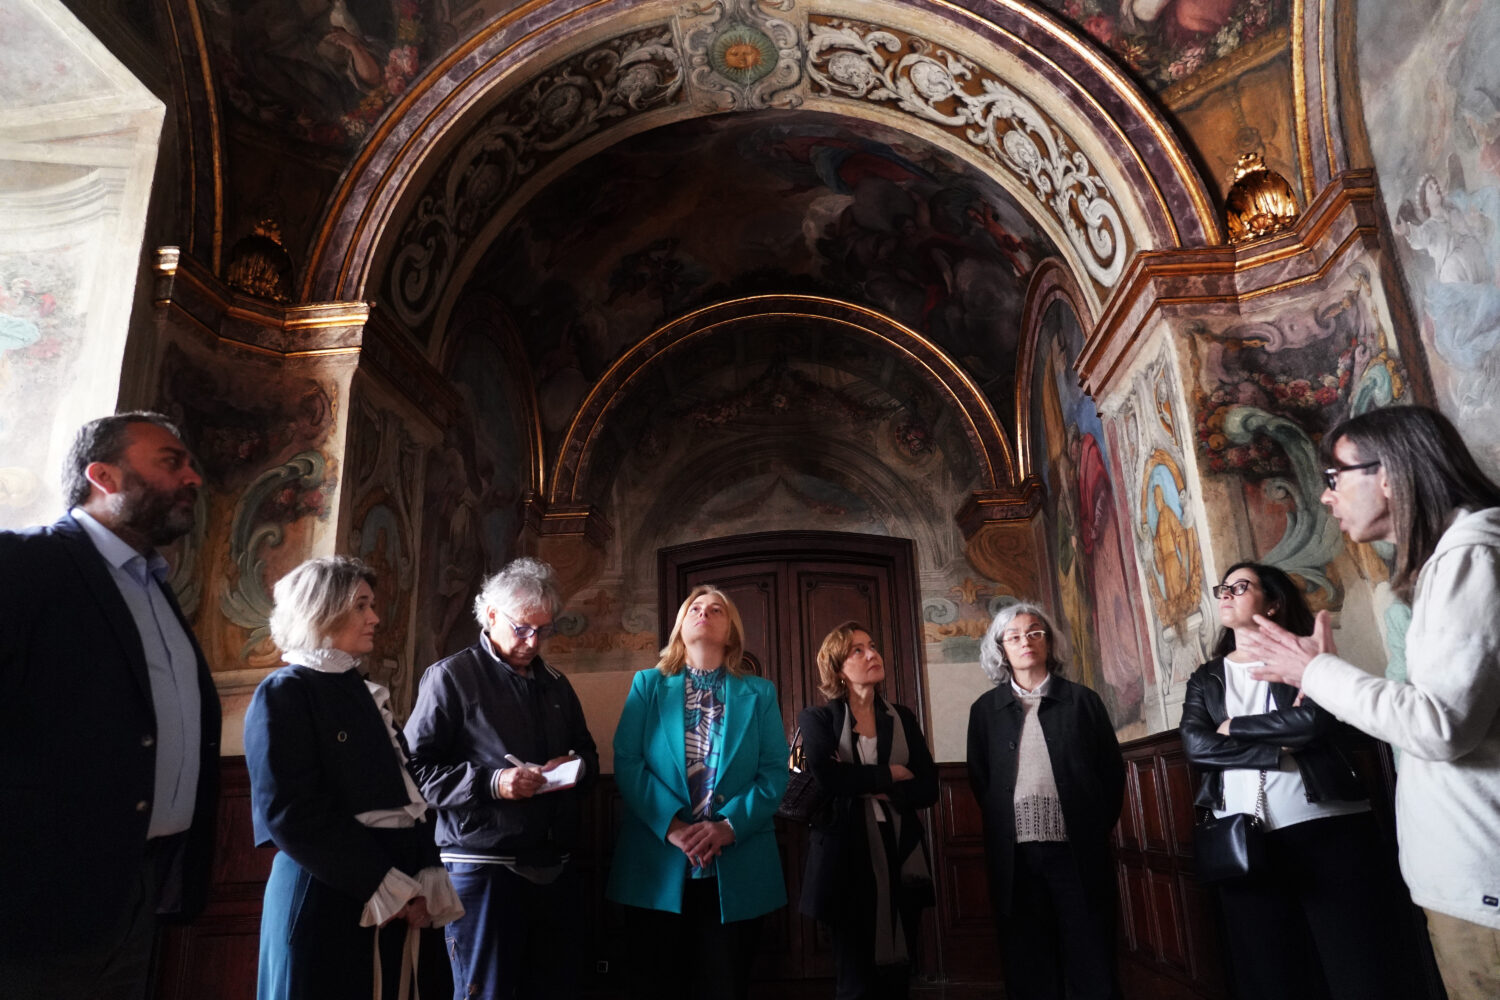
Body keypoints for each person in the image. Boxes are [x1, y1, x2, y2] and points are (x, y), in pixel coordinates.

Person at [1243, 405, 1500, 999]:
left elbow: (1439, 726)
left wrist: (1316, 672)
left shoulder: (1471, 556)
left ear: (1388, 474)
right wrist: (1320, 675)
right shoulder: (1450, 562)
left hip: (1484, 884)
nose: (1326, 497)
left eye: (1335, 477)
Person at [0, 411, 221, 1000]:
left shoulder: (153, 585)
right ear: (103, 476)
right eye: (171, 462)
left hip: (136, 888)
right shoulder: (23, 564)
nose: (193, 478)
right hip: (34, 897)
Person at [1180, 561, 1420, 1000]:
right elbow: (1196, 746)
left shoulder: (1305, 655)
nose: (1226, 594)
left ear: (1272, 604)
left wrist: (1234, 727)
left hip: (1328, 827)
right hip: (1243, 843)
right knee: (1273, 978)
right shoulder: (1206, 678)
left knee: (1359, 968)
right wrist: (1276, 749)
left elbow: (1311, 722)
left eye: (1240, 586)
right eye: (1223, 588)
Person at [245, 556, 462, 1000]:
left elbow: (409, 799)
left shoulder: (364, 693)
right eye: (361, 605)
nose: (375, 618)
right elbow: (290, 813)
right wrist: (381, 883)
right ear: (321, 609)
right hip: (327, 888)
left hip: (395, 887)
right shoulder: (285, 691)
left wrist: (423, 875)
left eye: (372, 605)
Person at [404, 557, 599, 1000]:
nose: (533, 642)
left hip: (554, 866)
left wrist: (574, 768)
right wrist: (494, 783)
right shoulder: (451, 677)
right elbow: (414, 771)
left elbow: (588, 754)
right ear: (491, 615)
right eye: (522, 628)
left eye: (544, 630)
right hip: (482, 868)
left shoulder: (556, 684)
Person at [607, 585, 789, 1000]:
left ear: (731, 631)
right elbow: (628, 761)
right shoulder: (647, 685)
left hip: (737, 865)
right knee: (657, 985)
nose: (704, 613)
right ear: (680, 626)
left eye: (717, 609)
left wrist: (728, 827)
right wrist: (672, 827)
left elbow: (774, 773)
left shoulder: (760, 693)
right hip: (656, 863)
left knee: (726, 985)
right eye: (695, 608)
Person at [966, 601, 1124, 1000]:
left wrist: (1090, 826)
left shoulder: (1082, 701)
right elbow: (981, 780)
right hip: (1014, 855)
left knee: (1090, 953)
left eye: (1035, 632)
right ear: (1001, 649)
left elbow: (1110, 773)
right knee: (1028, 958)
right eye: (1014, 636)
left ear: (1049, 642)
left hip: (1076, 850)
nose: (1026, 641)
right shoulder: (984, 711)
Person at [798, 621, 938, 999]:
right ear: (838, 668)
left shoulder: (902, 717)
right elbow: (829, 780)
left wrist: (864, 783)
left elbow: (928, 787)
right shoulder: (818, 719)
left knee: (898, 978)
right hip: (844, 854)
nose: (872, 654)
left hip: (901, 850)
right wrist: (893, 773)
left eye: (872, 646)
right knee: (855, 979)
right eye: (857, 650)